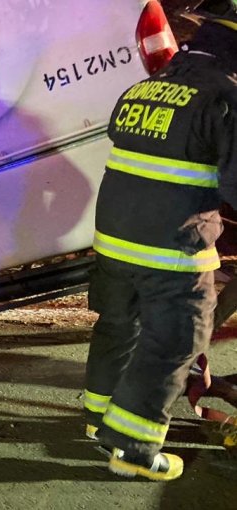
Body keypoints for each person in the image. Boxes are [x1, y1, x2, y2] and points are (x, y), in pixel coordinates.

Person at [82, 0, 237, 482]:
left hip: (113, 241)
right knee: (175, 340)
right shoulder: (225, 97)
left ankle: (97, 418)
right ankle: (131, 450)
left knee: (118, 326)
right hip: (170, 247)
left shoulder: (142, 88)